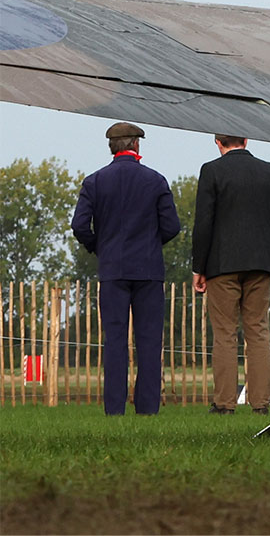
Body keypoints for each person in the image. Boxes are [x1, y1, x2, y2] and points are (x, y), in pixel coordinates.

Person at [71, 122, 180, 416]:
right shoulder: (156, 180)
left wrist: (99, 246)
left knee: (115, 342)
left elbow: (80, 225)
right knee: (149, 342)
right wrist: (152, 244)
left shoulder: (94, 182)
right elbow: (172, 226)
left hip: (113, 270)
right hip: (148, 269)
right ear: (136, 146)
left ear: (111, 147)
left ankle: (114, 410)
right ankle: (147, 409)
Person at [192, 134, 270, 415]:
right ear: (246, 140)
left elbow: (203, 224)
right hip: (260, 262)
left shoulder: (211, 171)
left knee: (225, 334)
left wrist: (200, 267)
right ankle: (260, 404)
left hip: (222, 263)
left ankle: (224, 404)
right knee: (258, 331)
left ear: (218, 143)